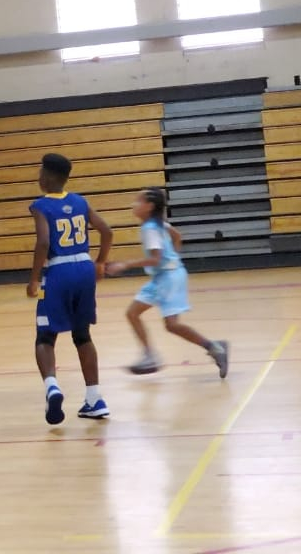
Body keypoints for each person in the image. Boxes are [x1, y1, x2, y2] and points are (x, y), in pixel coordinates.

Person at [27, 153, 114, 425]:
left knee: (45, 335)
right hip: (85, 269)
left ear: (48, 177)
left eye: (41, 172)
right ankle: (94, 399)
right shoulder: (80, 201)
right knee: (82, 334)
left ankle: (52, 387)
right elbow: (107, 231)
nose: (38, 176)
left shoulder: (41, 205)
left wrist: (34, 278)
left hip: (58, 272)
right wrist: (100, 263)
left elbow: (43, 242)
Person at [106, 188, 229, 378]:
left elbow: (155, 259)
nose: (133, 204)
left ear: (149, 206)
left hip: (169, 278)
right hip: (164, 277)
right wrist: (174, 259)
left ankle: (214, 347)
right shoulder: (158, 224)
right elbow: (177, 236)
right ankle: (150, 356)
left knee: (171, 325)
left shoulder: (150, 229)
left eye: (138, 201)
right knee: (133, 313)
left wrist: (125, 264)